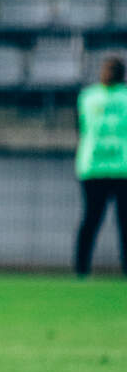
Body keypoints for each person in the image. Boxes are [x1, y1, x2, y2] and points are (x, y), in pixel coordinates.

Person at [74, 56, 127, 277]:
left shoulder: (91, 97)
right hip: (98, 168)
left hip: (117, 168)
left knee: (119, 222)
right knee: (93, 219)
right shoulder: (88, 96)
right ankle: (81, 269)